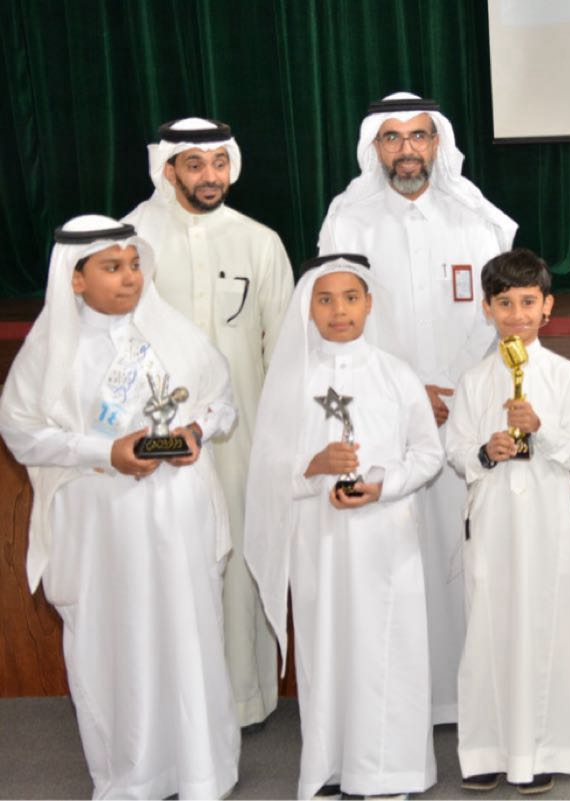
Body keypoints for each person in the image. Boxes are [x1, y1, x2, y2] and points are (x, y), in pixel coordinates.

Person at [0, 215, 240, 799]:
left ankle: (202, 772)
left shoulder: (172, 331)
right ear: (75, 278)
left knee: (188, 635)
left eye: (133, 264)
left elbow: (222, 400)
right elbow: (22, 432)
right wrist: (103, 451)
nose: (130, 277)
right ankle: (134, 777)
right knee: (117, 644)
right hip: (101, 525)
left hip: (178, 515)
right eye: (112, 267)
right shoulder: (49, 351)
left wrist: (195, 432)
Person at [319, 92, 517, 723]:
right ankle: (402, 706)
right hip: (384, 415)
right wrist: (410, 394)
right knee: (398, 558)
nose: (407, 149)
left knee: (467, 555)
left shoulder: (475, 220)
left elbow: (497, 314)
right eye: (392, 137)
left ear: (438, 143)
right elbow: (338, 314)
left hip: (466, 410)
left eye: (419, 136)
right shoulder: (347, 222)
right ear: (374, 148)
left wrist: (450, 389)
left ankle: (469, 702)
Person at [243, 254, 444, 799]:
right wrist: (313, 467)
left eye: (351, 298)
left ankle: (389, 772)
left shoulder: (395, 374)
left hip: (386, 535)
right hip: (320, 540)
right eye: (325, 299)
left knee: (387, 647)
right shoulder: (292, 380)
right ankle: (330, 769)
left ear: (369, 303)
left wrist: (384, 484)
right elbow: (268, 472)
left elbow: (428, 454)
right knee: (326, 649)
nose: (339, 311)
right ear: (307, 308)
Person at [123, 116, 294, 728]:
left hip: (242, 438)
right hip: (153, 438)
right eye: (194, 165)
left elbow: (284, 352)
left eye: (219, 163)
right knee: (167, 562)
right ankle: (174, 709)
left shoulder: (259, 242)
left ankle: (243, 701)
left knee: (240, 559)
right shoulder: (131, 241)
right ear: (167, 169)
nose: (209, 176)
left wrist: (281, 440)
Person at [445, 249, 570, 795]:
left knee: (544, 625)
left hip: (546, 522)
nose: (517, 314)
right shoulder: (474, 379)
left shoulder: (565, 375)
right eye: (505, 303)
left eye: (528, 302)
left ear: (548, 307)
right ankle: (487, 747)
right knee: (489, 625)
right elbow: (456, 449)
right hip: (494, 522)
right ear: (487, 308)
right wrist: (487, 451)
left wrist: (539, 429)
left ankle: (540, 750)